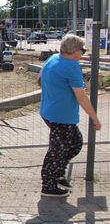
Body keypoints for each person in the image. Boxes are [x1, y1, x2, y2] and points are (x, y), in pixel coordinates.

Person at [39, 34, 102, 197]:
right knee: (57, 150)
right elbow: (81, 97)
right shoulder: (71, 66)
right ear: (74, 51)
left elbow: (40, 79)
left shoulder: (53, 58)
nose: (84, 53)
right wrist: (94, 118)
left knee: (74, 143)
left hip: (49, 110)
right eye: (83, 50)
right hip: (61, 115)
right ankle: (49, 184)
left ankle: (57, 173)